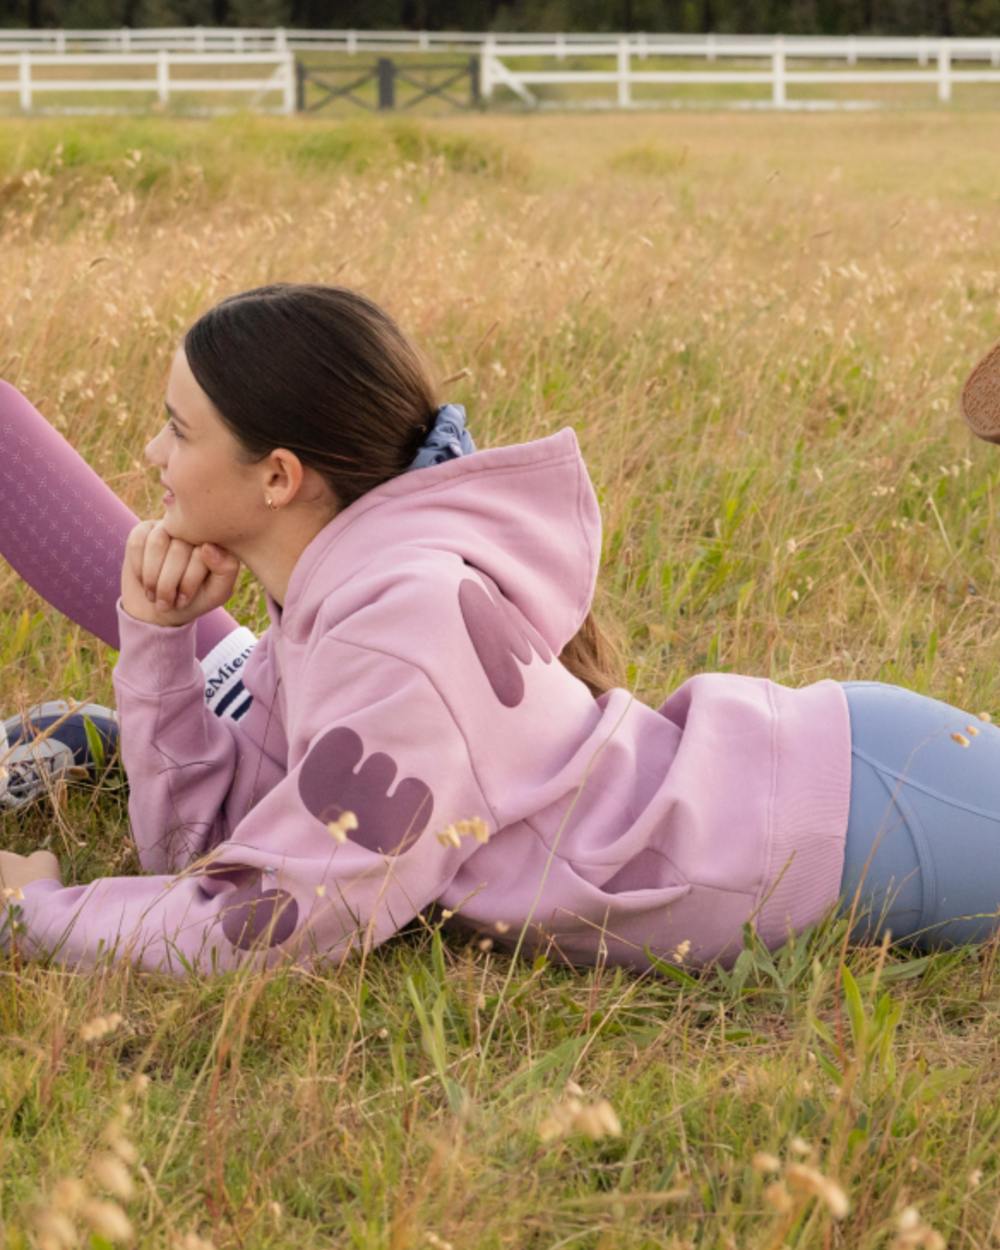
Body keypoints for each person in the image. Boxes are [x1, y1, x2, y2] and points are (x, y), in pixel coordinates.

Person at [2, 283, 1000, 977]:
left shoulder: (396, 629)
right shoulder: (341, 605)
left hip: (855, 807)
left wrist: (34, 915)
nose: (152, 453)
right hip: (833, 797)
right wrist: (157, 639)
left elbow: (272, 923)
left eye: (179, 429)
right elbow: (205, 850)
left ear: (278, 475)